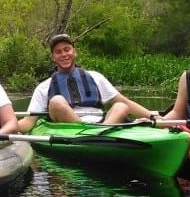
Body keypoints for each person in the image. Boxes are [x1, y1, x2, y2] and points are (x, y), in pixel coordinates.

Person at [17, 33, 161, 133]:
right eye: (58, 52)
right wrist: (7, 126)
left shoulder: (95, 77)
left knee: (121, 106)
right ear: (53, 57)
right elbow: (28, 122)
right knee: (56, 101)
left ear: (75, 52)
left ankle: (101, 133)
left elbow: (126, 102)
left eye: (67, 50)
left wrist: (152, 116)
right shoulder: (44, 87)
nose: (64, 55)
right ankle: (93, 135)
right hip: (70, 129)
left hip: (101, 124)